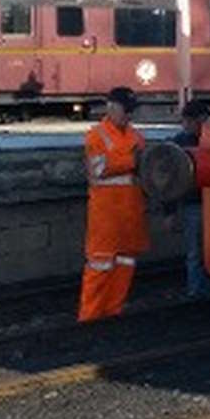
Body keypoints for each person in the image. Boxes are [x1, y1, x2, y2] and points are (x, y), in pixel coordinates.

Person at [77, 87, 148, 322]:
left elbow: (142, 167)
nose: (129, 116)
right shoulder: (96, 135)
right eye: (126, 110)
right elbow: (99, 167)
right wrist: (132, 160)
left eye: (131, 111)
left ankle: (113, 313)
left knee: (125, 263)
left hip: (130, 212)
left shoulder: (136, 136)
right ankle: (90, 317)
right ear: (111, 107)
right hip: (106, 214)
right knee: (100, 264)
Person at [163, 98, 210, 298]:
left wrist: (169, 211)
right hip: (199, 202)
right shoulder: (185, 143)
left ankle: (198, 288)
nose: (188, 125)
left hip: (195, 202)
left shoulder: (177, 144)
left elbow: (167, 180)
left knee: (195, 251)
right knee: (197, 252)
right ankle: (198, 288)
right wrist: (170, 211)